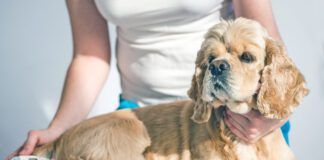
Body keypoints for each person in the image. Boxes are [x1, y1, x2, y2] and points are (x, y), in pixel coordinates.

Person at [6, 0, 290, 159]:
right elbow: (90, 56)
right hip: (140, 118)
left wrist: (274, 114)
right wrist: (59, 129)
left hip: (234, 116)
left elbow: (268, 47)